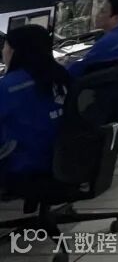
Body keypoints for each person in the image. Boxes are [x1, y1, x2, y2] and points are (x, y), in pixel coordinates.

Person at [0, 25, 68, 187]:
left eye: (5, 46)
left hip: (22, 164)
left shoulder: (8, 86)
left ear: (15, 51)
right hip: (63, 157)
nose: (2, 51)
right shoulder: (60, 75)